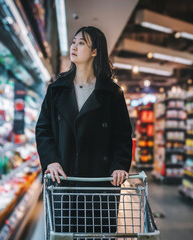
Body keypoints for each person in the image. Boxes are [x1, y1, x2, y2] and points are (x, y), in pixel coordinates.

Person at [36, 26, 132, 237]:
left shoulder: (112, 94)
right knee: (64, 234)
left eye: (81, 43)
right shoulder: (56, 89)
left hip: (99, 185)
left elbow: (123, 136)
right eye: (73, 42)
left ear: (95, 51)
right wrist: (50, 160)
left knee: (97, 235)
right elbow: (43, 129)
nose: (74, 47)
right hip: (64, 181)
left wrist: (119, 166)